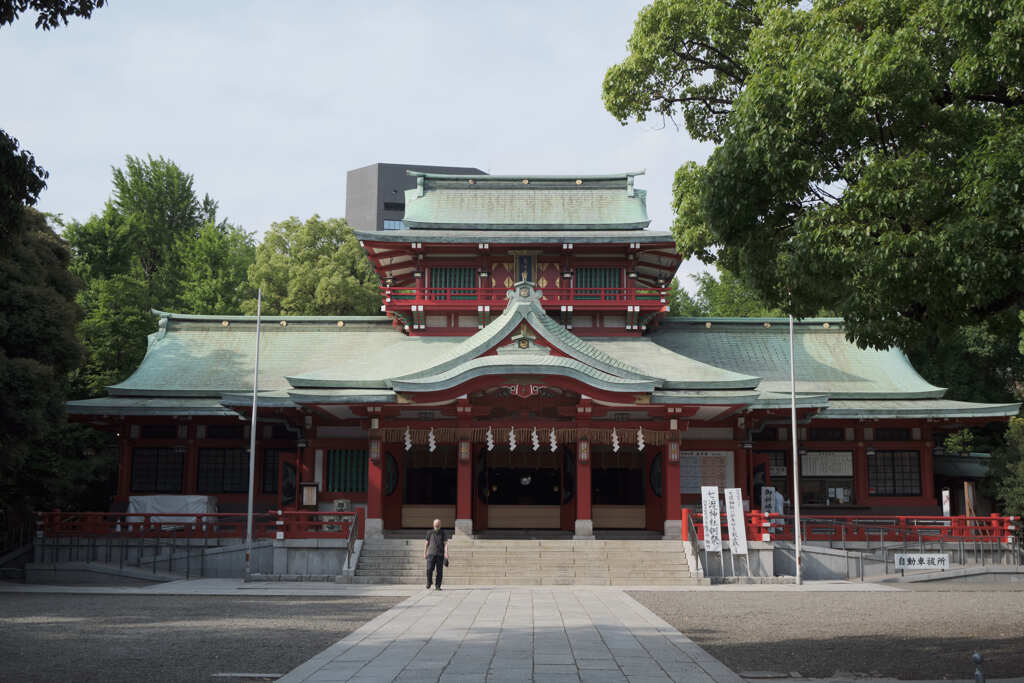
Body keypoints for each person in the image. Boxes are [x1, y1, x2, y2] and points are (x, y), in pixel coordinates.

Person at [424, 518, 449, 590]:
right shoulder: (429, 532)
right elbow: (426, 543)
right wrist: (425, 553)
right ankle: (429, 581)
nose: (437, 525)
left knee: (439, 571)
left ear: (440, 525)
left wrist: (446, 554)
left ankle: (438, 586)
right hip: (431, 554)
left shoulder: (443, 533)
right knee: (429, 569)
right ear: (433, 524)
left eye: (438, 524)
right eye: (436, 524)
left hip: (440, 554)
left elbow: (446, 543)